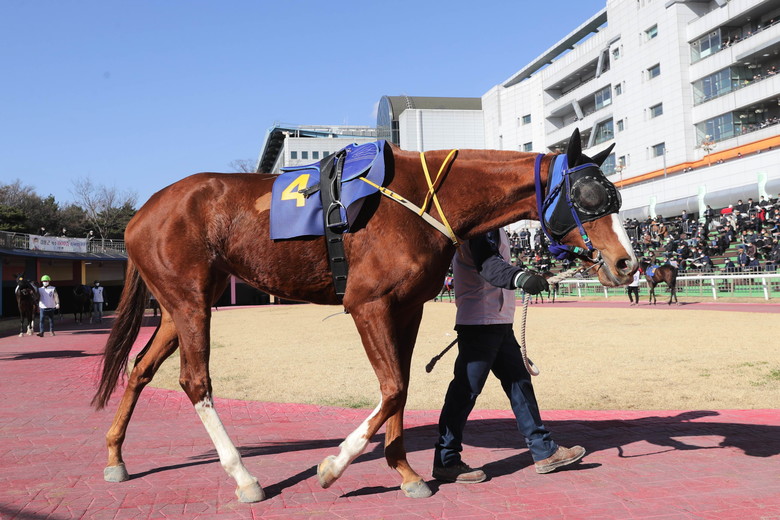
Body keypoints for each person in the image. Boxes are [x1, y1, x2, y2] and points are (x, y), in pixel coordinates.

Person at [432, 228, 585, 483]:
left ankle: (544, 450)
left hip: (498, 321)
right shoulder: (480, 228)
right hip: (481, 321)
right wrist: (521, 278)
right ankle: (446, 459)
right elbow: (489, 265)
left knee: (520, 384)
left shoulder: (496, 228)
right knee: (465, 391)